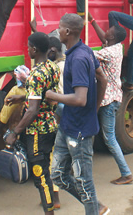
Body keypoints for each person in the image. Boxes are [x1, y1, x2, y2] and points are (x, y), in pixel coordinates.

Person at [45, 14, 108, 215]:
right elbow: (102, 80)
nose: (57, 31)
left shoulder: (79, 58)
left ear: (68, 32)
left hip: (79, 131)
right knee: (57, 175)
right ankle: (96, 207)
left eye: (59, 28)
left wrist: (53, 95)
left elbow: (80, 98)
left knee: (84, 182)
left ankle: (93, 209)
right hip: (68, 125)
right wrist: (95, 108)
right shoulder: (82, 51)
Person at [4, 32, 61, 214]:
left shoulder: (36, 74)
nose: (27, 49)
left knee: (40, 175)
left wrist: (15, 132)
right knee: (45, 169)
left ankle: (49, 211)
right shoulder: (52, 67)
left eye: (28, 46)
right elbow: (43, 95)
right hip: (51, 124)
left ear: (34, 50)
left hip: (38, 131)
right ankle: (51, 205)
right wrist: (21, 97)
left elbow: (33, 110)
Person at [87, 14, 133, 185]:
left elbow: (89, 54)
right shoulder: (116, 48)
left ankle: (126, 173)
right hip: (112, 98)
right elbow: (103, 38)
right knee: (104, 136)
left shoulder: (109, 52)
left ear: (112, 36)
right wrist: (92, 21)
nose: (105, 31)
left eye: (108, 30)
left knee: (109, 138)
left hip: (108, 101)